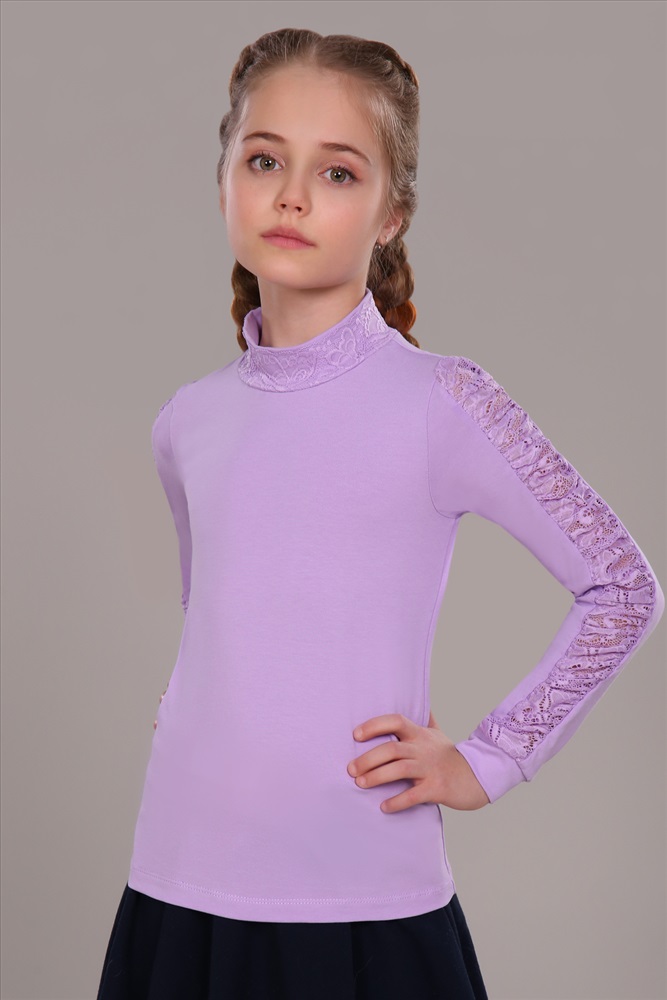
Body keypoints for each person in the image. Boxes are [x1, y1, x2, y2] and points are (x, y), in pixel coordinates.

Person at [96, 26, 664, 1000]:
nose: (291, 195)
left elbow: (623, 586)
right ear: (224, 178)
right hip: (179, 874)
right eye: (264, 159)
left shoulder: (443, 402)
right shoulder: (186, 420)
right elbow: (218, 616)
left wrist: (490, 757)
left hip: (360, 886)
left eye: (338, 172)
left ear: (391, 212)